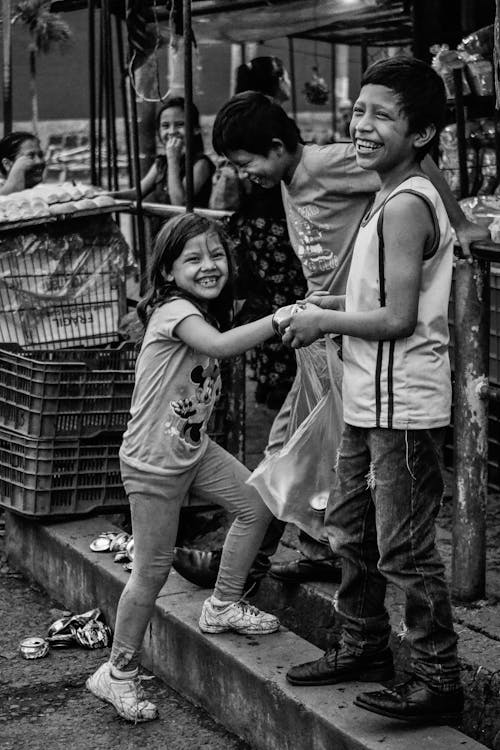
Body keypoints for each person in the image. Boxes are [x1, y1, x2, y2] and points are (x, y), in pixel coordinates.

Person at [207, 88, 488, 589]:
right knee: (309, 453)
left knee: (295, 451)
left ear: (277, 146)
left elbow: (417, 168)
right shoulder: (291, 181)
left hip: (350, 332)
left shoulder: (326, 163)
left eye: (245, 162)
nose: (241, 174)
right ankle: (306, 554)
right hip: (326, 331)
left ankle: (240, 571)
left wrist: (461, 223)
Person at [282, 56, 462, 726]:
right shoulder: (386, 193)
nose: (362, 125)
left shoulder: (408, 203)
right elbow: (378, 294)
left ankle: (437, 676)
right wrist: (326, 299)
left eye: (381, 115)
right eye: (359, 110)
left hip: (403, 406)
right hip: (367, 398)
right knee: (348, 530)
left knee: (405, 548)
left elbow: (398, 318)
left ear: (420, 134)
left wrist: (320, 319)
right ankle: (363, 646)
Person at [86, 213, 294, 723]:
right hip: (154, 463)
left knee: (255, 504)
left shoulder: (199, 307)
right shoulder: (175, 310)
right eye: (194, 258)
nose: (209, 266)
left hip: (191, 449)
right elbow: (221, 347)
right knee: (152, 572)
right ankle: (116, 674)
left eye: (217, 255)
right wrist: (285, 318)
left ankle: (221, 605)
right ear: (168, 271)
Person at [114, 96, 214, 210]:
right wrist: (109, 196)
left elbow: (180, 204)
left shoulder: (201, 164)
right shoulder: (161, 164)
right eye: (165, 126)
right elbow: (136, 193)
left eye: (180, 124)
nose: (172, 131)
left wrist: (173, 160)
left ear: (196, 129)